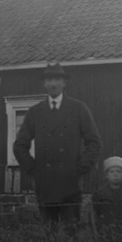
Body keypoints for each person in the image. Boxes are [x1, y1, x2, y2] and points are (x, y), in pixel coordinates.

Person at [13, 63, 102, 224]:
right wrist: (35, 170)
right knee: (48, 232)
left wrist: (79, 169)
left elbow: (94, 142)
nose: (53, 84)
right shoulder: (35, 112)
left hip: (70, 183)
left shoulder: (78, 109)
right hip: (45, 184)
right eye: (49, 80)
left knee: (71, 231)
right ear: (44, 83)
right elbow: (19, 146)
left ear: (64, 83)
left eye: (57, 79)